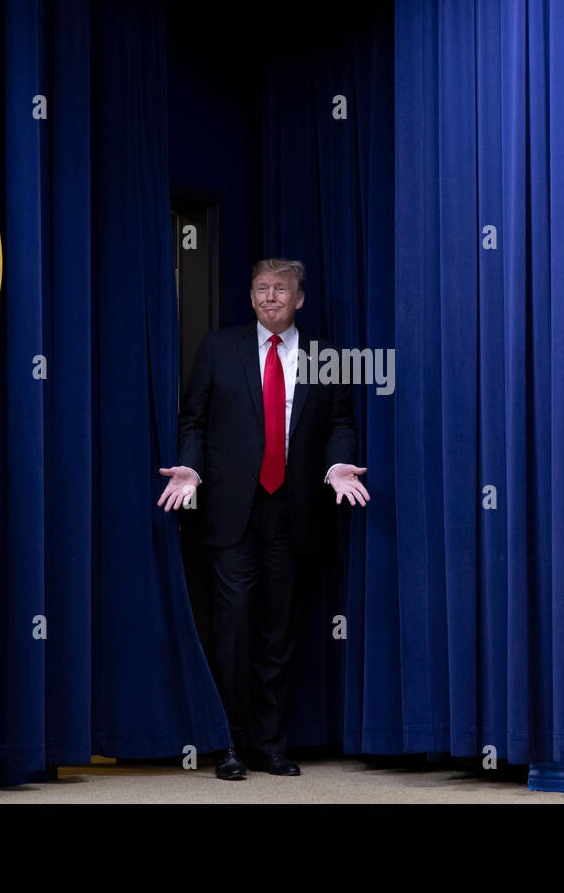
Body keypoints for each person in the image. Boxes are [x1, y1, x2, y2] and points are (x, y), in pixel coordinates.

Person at [158, 259, 369, 779]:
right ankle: (228, 743)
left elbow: (340, 421)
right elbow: (195, 419)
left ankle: (270, 743)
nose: (269, 297)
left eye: (280, 289)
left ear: (299, 298)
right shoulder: (218, 348)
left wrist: (337, 463)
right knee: (233, 628)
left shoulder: (327, 357)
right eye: (260, 289)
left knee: (279, 631)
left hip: (292, 510)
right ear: (250, 297)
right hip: (232, 510)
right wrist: (189, 468)